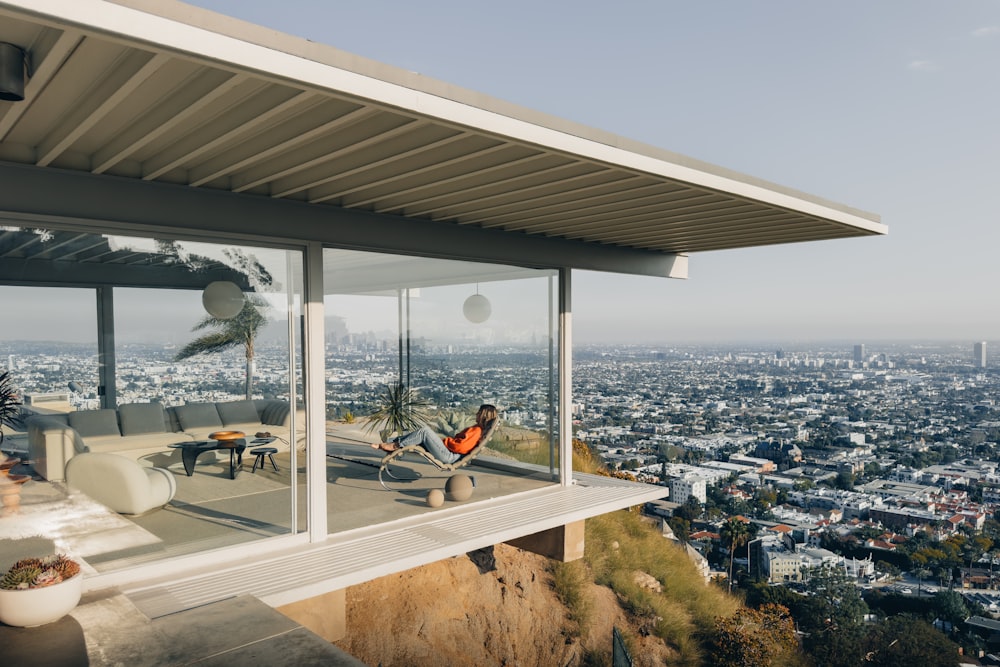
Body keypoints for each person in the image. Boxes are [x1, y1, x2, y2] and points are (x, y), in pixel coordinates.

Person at [372, 404, 497, 464]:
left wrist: (446, 441)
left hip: (449, 456)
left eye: (479, 412)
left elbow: (461, 447)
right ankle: (391, 442)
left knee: (424, 431)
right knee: (418, 434)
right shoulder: (477, 429)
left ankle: (394, 445)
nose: (476, 414)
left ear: (483, 416)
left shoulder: (477, 431)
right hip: (450, 452)